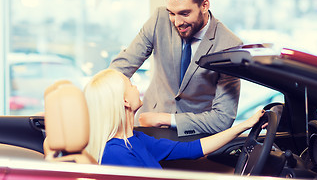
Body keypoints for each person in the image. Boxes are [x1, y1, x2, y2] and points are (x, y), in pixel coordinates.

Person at [109, 0, 243, 137]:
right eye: (172, 13)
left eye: (185, 13)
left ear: (205, 5)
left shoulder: (229, 45)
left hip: (194, 137)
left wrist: (166, 119)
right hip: (147, 129)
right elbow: (123, 66)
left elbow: (223, 118)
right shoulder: (160, 18)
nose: (177, 22)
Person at [83, 69, 265, 168]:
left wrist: (246, 125)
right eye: (130, 85)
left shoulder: (135, 140)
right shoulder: (115, 154)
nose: (136, 87)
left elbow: (192, 149)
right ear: (124, 102)